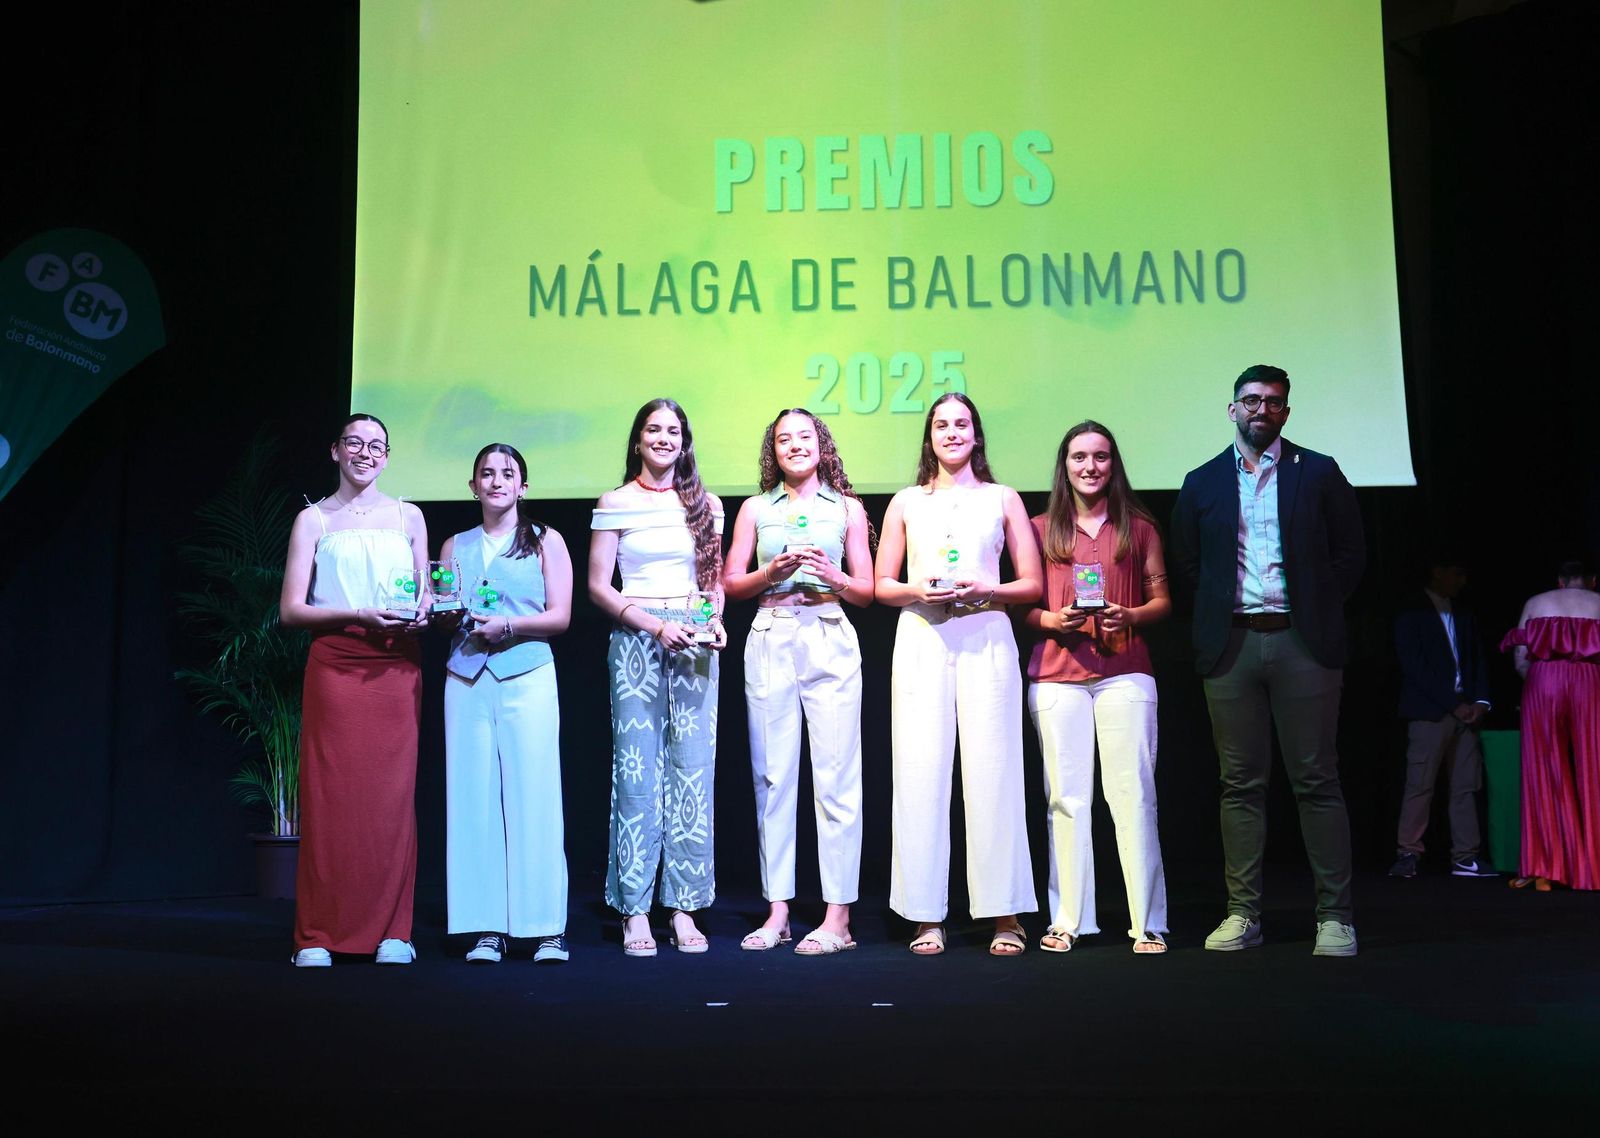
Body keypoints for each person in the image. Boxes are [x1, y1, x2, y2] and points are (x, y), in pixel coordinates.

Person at [1170, 364, 1364, 957]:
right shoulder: (1201, 482)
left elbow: (1351, 553)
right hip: (1232, 646)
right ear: (1232, 410)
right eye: (1250, 401)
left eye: (1272, 402)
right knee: (1239, 785)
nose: (1261, 410)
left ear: (1285, 412)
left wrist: (1317, 608)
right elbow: (1188, 566)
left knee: (1316, 779)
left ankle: (1335, 917)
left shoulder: (1320, 473)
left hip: (1303, 643)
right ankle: (1242, 914)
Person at [875, 392, 1042, 956]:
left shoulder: (1002, 498)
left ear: (976, 434)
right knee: (921, 773)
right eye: (941, 425)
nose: (951, 433)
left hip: (986, 633)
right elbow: (881, 585)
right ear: (929, 437)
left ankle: (1004, 915)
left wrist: (988, 588)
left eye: (962, 423)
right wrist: (916, 590)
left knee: (994, 773)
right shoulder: (905, 502)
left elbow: (1032, 584)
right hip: (922, 636)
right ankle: (925, 915)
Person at [279, 413, 429, 967]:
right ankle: (316, 935)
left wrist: (421, 613)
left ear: (387, 456)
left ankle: (394, 930)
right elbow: (292, 609)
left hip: (396, 666)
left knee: (391, 800)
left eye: (377, 446)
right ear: (335, 451)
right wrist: (358, 614)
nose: (366, 453)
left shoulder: (409, 516)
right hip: (338, 662)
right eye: (355, 444)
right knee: (332, 798)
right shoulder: (312, 520)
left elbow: (425, 592)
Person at [723, 409, 874, 956]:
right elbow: (730, 582)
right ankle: (779, 910)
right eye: (783, 439)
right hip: (771, 632)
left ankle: (838, 916)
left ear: (821, 445)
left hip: (829, 631)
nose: (794, 446)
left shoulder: (848, 509)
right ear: (774, 451)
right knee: (773, 776)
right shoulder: (756, 509)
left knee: (836, 777)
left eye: (804, 437)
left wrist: (835, 577)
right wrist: (771, 573)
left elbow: (868, 589)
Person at [1022, 421, 1172, 954]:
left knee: (1133, 797)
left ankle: (1147, 922)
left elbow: (1162, 601)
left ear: (1114, 464)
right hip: (1057, 674)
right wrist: (1049, 622)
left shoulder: (1139, 528)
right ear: (1064, 465)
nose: (1090, 466)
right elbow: (1022, 602)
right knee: (1066, 799)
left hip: (1125, 672)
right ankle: (1068, 919)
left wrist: (1129, 613)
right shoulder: (1039, 528)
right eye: (1079, 457)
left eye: (1101, 457)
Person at [589, 399, 725, 956]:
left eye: (674, 431)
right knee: (638, 770)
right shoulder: (615, 502)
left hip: (693, 642)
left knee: (693, 771)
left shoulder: (706, 503)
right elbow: (599, 585)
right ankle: (635, 909)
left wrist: (713, 619)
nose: (664, 438)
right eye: (654, 429)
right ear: (637, 439)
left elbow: (713, 580)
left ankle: (685, 908)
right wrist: (651, 625)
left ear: (684, 441)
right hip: (637, 640)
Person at [440, 443, 572, 963]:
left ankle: (545, 929)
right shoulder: (454, 545)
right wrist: (446, 617)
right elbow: (444, 605)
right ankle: (485, 926)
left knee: (534, 795)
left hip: (528, 673)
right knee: (471, 800)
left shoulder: (545, 541)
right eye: (486, 474)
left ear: (523, 486)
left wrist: (511, 625)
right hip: (467, 676)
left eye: (507, 473)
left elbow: (560, 616)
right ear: (473, 485)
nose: (497, 481)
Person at [1389, 556, 1495, 879]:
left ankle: (1465, 856)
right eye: (1457, 572)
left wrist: (1480, 701)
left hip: (1465, 713)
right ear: (1438, 572)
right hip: (1430, 712)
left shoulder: (1464, 614)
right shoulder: (1412, 613)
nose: (1462, 581)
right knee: (1420, 784)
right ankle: (1408, 852)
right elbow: (1415, 667)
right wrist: (1452, 703)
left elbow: (1477, 659)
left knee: (1465, 785)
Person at [1500, 560, 1600, 891]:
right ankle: (1590, 868)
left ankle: (1543, 867)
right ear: (1592, 581)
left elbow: (1520, 656)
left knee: (1544, 770)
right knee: (1592, 768)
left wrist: (1538, 684)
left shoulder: (1536, 601)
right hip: (1589, 681)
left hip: (1544, 680)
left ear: (1560, 582)